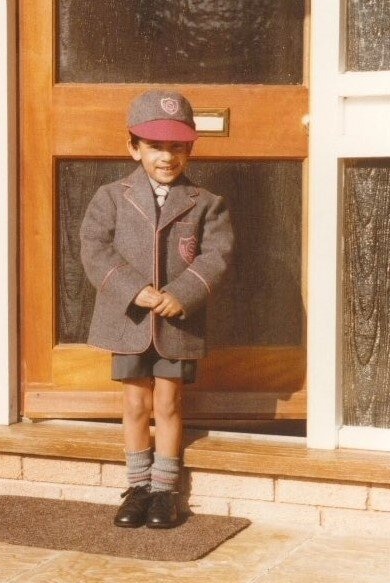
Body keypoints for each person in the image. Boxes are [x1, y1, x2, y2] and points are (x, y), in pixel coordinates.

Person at [80, 89, 233, 528]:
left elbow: (215, 256)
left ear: (190, 149)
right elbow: (95, 248)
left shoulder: (206, 203)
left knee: (168, 403)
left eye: (177, 147)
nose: (166, 157)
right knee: (134, 404)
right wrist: (133, 289)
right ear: (134, 147)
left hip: (176, 322)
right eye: (155, 146)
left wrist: (180, 294)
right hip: (128, 318)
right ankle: (137, 487)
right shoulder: (111, 196)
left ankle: (165, 491)